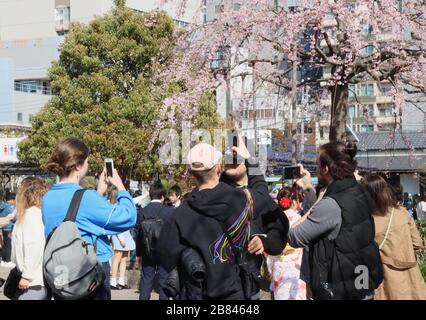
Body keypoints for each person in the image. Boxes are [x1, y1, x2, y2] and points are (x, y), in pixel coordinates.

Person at [158, 143, 288, 300]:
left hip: (196, 293)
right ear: (219, 168)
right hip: (236, 293)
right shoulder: (242, 201)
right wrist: (250, 160)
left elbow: (165, 256)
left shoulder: (180, 214)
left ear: (190, 172)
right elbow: (262, 192)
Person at [42, 138, 137, 300]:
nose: (87, 164)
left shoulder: (48, 197)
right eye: (86, 161)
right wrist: (120, 186)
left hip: (62, 274)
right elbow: (128, 217)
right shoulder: (88, 199)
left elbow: (77, 218)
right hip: (88, 274)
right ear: (78, 166)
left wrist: (98, 193)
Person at [288, 141, 383, 300]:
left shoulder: (330, 204)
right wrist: (310, 189)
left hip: (341, 290)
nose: (316, 169)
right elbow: (333, 222)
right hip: (361, 282)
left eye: (317, 164)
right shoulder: (359, 190)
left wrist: (319, 201)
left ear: (325, 169)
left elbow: (294, 236)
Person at [364, 175, 426, 300]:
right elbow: (417, 243)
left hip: (385, 281)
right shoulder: (402, 212)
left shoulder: (368, 221)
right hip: (410, 277)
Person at [11, 177, 50, 300]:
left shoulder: (32, 215)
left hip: (33, 283)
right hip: (33, 281)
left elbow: (35, 246)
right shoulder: (34, 213)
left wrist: (26, 276)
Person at [137, 181, 175, 300]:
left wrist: (138, 253)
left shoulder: (142, 211)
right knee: (164, 280)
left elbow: (138, 234)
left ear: (150, 195)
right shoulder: (169, 211)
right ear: (163, 197)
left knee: (146, 279)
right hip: (165, 251)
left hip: (147, 249)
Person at [267, 187, 306, 300]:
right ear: (293, 201)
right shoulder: (299, 218)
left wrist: (271, 267)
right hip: (297, 266)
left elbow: (268, 249)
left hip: (280, 265)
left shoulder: (273, 220)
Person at [109, 188, 136, 290]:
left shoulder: (121, 206)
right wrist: (120, 238)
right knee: (117, 257)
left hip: (126, 233)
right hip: (119, 234)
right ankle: (113, 281)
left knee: (124, 258)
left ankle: (121, 281)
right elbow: (116, 224)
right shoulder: (114, 207)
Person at [0, 193, 16, 268]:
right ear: (12, 200)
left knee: (4, 244)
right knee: (9, 245)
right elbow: (15, 218)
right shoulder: (11, 207)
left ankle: (3, 260)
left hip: (3, 227)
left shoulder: (2, 206)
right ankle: (8, 261)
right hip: (9, 228)